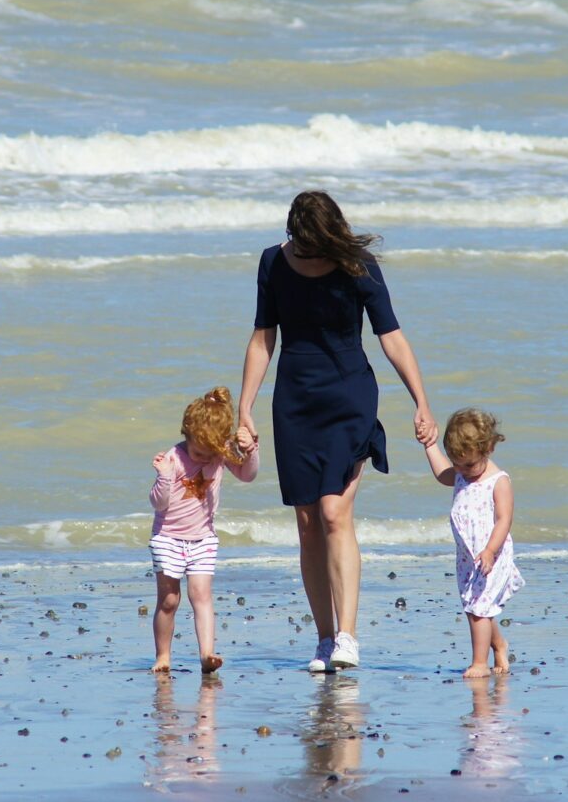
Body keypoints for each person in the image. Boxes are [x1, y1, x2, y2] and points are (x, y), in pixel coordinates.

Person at [239, 190, 436, 673]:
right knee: (307, 524)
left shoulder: (358, 265)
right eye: (300, 244)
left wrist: (422, 403)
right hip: (295, 402)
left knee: (332, 513)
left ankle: (348, 636)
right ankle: (325, 640)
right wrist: (245, 407)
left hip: (348, 396)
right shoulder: (272, 263)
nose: (306, 253)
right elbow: (265, 336)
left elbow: (391, 335)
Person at [149, 386, 259, 674]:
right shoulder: (173, 458)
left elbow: (248, 475)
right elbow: (158, 504)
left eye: (208, 452)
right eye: (198, 451)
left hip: (203, 539)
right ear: (187, 434)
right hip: (168, 537)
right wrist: (163, 477)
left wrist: (250, 450)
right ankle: (163, 656)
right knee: (169, 599)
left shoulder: (219, 454)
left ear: (221, 444)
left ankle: (207, 654)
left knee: (202, 595)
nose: (201, 458)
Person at [423, 407, 524, 678]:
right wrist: (429, 446)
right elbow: (442, 474)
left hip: (491, 554)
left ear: (488, 448)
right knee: (474, 608)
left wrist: (491, 551)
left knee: (479, 610)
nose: (462, 472)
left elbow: (504, 519)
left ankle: (479, 663)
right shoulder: (460, 472)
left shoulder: (498, 481)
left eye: (468, 465)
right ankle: (499, 644)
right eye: (457, 463)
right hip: (468, 556)